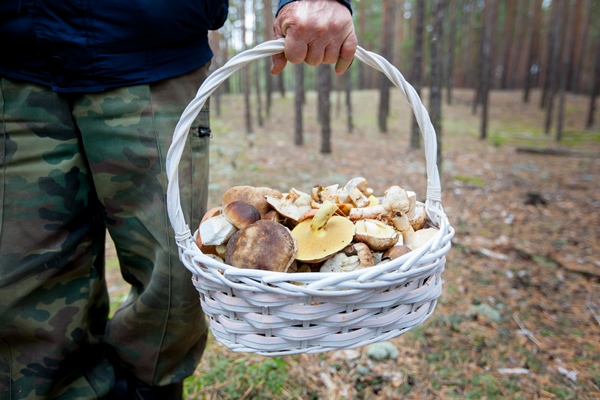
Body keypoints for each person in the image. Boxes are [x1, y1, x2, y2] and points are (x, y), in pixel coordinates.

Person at [0, 0, 356, 399]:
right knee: (20, 284)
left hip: (152, 51)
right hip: (14, 65)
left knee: (174, 274)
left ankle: (149, 389)